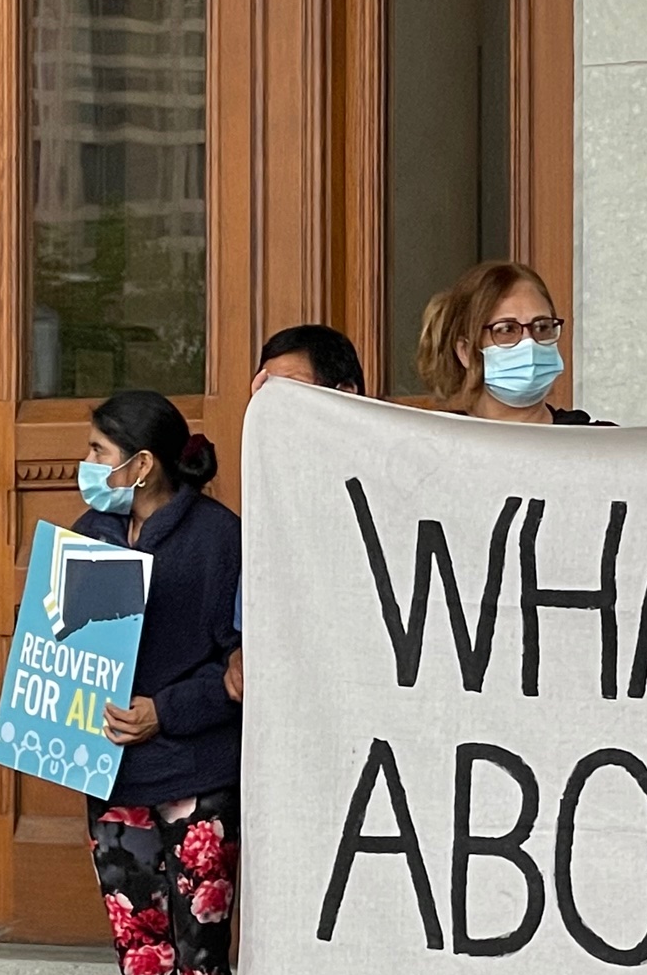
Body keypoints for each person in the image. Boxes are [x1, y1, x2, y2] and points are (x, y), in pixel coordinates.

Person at [57, 389, 244, 975]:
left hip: (195, 777)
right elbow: (64, 654)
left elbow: (243, 663)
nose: (87, 465)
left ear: (141, 464)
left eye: (99, 452)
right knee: (142, 958)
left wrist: (166, 711)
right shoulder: (90, 536)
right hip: (113, 782)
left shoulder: (218, 537)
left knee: (203, 961)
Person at [227, 325, 366, 703]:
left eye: (291, 392)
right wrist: (239, 658)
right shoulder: (273, 496)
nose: (277, 410)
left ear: (345, 394)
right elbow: (252, 627)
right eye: (268, 397)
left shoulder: (397, 484)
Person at [414, 260, 612, 425]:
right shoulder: (440, 445)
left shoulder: (598, 443)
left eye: (542, 327)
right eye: (507, 329)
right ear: (465, 351)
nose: (529, 343)